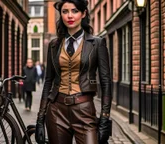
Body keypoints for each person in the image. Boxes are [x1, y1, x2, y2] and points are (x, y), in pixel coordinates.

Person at [35, 0, 112, 144]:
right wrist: (40, 119)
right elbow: (48, 82)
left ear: (83, 13)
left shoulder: (97, 43)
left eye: (75, 11)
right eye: (65, 12)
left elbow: (106, 82)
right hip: (56, 111)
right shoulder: (54, 45)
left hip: (84, 110)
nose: (70, 16)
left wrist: (104, 118)